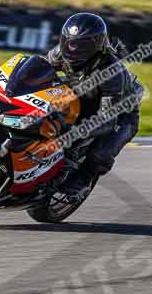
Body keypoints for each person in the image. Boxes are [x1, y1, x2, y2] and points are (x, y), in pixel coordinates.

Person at [46, 12, 144, 199]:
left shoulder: (111, 71)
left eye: (81, 45)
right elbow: (39, 72)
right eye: (70, 42)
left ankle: (83, 179)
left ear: (96, 45)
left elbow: (107, 119)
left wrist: (73, 133)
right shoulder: (58, 54)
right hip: (80, 96)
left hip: (120, 114)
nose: (73, 49)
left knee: (100, 153)